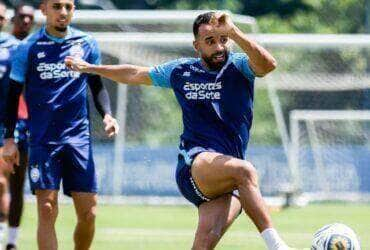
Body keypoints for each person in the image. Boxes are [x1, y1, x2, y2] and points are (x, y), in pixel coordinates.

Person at [65, 11, 291, 250]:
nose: (219, 47)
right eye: (210, 42)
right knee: (245, 172)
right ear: (196, 46)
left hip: (226, 176)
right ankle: (278, 246)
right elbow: (134, 73)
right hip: (194, 166)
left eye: (223, 40)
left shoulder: (240, 66)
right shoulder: (181, 72)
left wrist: (234, 31)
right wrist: (91, 68)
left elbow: (268, 65)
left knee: (204, 243)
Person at [2, 0, 119, 249]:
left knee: (89, 213)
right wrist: (9, 139)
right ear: (44, 10)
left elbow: (96, 86)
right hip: (43, 140)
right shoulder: (28, 48)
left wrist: (107, 115)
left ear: (74, 10)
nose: (63, 12)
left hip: (79, 140)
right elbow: (12, 97)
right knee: (47, 208)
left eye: (68, 6)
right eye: (56, 6)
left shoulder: (87, 43)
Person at [5, 4, 35, 250]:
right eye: (21, 17)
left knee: (16, 185)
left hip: (21, 125)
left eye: (30, 18)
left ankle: (11, 243)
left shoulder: (33, 50)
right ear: (11, 20)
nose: (25, 21)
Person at [0, 2, 22, 249]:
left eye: (1, 17)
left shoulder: (14, 48)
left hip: (3, 123)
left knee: (1, 181)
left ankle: (4, 234)